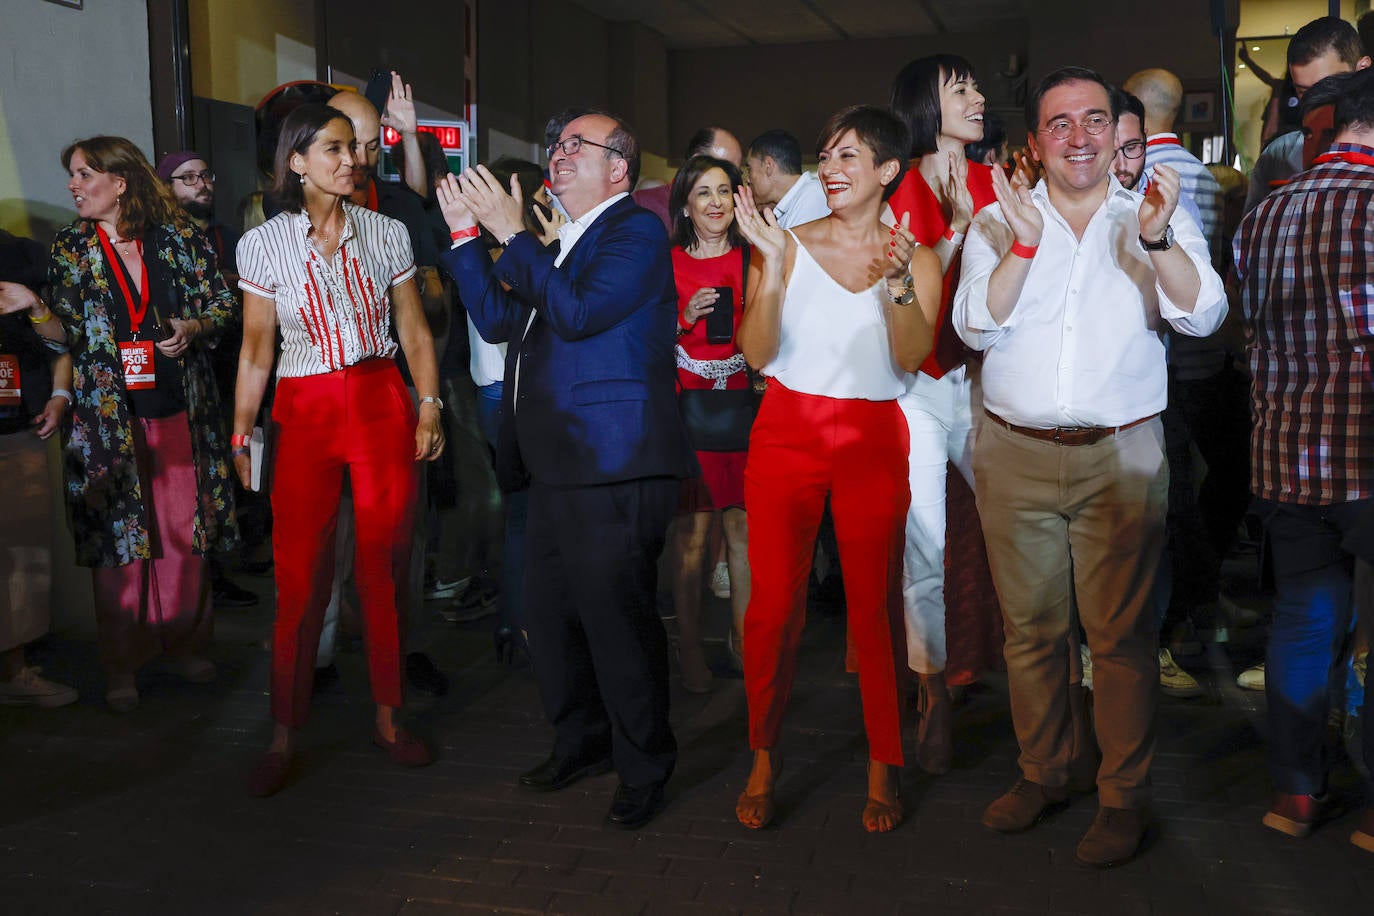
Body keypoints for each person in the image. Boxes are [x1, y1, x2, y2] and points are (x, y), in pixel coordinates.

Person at [954, 66, 1227, 867]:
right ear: (1036, 142)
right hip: (1015, 452)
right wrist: (1025, 246)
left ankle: (1122, 798)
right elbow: (973, 326)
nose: (1079, 136)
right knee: (1031, 635)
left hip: (1121, 455)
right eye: (1060, 123)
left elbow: (1204, 313)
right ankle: (1045, 773)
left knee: (1119, 641)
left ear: (1117, 132)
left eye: (1095, 120)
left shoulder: (1149, 214)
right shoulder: (1000, 222)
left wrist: (1156, 240)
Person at [436, 111, 696, 830]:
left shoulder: (635, 232)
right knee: (548, 620)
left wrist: (513, 236)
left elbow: (577, 314)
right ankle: (581, 741)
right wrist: (466, 235)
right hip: (554, 463)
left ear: (620, 167)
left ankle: (644, 763)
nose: (559, 154)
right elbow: (494, 319)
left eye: (577, 145)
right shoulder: (560, 241)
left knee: (618, 620)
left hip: (614, 462)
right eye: (556, 144)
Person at [731, 105, 941, 833]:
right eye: (827, 155)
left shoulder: (915, 253)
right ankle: (764, 751)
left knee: (874, 609)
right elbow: (756, 356)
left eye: (849, 156)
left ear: (888, 170)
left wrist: (899, 285)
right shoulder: (783, 241)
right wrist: (771, 272)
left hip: (870, 432)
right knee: (772, 608)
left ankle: (885, 762)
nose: (831, 167)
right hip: (786, 429)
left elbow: (912, 357)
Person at [233, 103, 444, 797]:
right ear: (296, 162)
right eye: (333, 148)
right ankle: (284, 730)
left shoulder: (386, 232)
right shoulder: (262, 244)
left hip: (382, 399)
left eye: (354, 148)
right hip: (304, 409)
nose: (351, 158)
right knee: (299, 577)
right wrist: (241, 431)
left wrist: (429, 403)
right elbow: (257, 347)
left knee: (382, 565)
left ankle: (389, 717)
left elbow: (414, 332)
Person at [45, 136, 240, 713]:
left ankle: (184, 644)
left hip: (181, 406)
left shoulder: (178, 236)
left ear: (119, 181)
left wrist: (194, 326)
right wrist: (35, 310)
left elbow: (224, 305)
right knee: (119, 547)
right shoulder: (69, 247)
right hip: (106, 419)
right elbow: (64, 332)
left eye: (84, 175)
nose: (74, 186)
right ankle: (121, 665)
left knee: (186, 535)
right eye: (73, 176)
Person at [1231, 67, 1374, 843]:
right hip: (1368, 458)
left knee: (1302, 622)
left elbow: (1250, 336)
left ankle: (1294, 793)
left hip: (1289, 456)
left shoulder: (1265, 213)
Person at [886, 53, 999, 775]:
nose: (980, 96)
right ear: (926, 104)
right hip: (916, 384)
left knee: (1012, 536)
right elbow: (906, 296)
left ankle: (1045, 688)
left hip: (986, 383)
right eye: (962, 88)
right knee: (924, 545)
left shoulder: (997, 181)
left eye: (976, 85)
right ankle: (932, 695)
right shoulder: (897, 186)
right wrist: (954, 229)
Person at [156, 149, 260, 612]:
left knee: (234, 469)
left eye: (205, 174)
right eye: (188, 178)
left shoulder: (229, 237)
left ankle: (227, 566)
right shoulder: (156, 240)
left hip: (235, 363)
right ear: (166, 187)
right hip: (186, 370)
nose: (202, 184)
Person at [666, 154, 753, 694]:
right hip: (687, 410)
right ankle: (690, 647)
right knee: (693, 539)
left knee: (743, 533)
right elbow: (647, 338)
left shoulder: (755, 259)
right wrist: (685, 318)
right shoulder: (667, 262)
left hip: (745, 407)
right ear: (685, 204)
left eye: (724, 191)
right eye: (704, 192)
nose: (716, 202)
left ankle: (745, 646)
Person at [0, 231, 77, 708]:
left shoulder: (22, 255)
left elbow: (62, 345)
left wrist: (59, 395)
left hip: (16, 433)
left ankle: (16, 671)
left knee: (23, 559)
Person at [1244, 17, 1371, 214]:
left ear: (1362, 68)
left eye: (1328, 86)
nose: (1316, 101)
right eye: (1303, 92)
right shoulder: (1279, 154)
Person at [634, 126, 744, 232]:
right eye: (725, 168)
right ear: (695, 162)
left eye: (736, 173)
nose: (731, 178)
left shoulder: (735, 213)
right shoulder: (644, 204)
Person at [744, 130, 831, 228]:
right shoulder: (795, 203)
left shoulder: (812, 197)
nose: (747, 179)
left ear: (768, 166)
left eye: (749, 169)